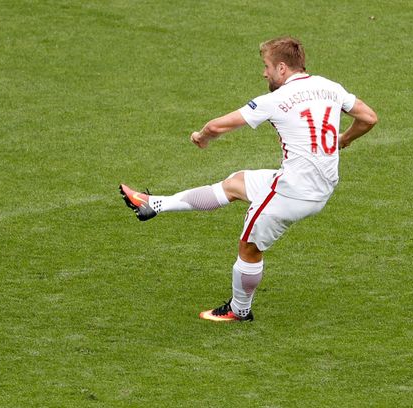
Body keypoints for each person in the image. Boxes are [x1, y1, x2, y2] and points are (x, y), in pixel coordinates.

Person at [119, 36, 377, 322]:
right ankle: (154, 203)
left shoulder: (276, 99)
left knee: (249, 247)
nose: (264, 72)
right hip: (320, 185)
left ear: (281, 68)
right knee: (235, 184)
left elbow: (218, 125)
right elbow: (368, 117)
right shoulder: (331, 87)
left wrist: (201, 137)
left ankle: (239, 309)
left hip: (292, 192)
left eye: (266, 66)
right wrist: (342, 140)